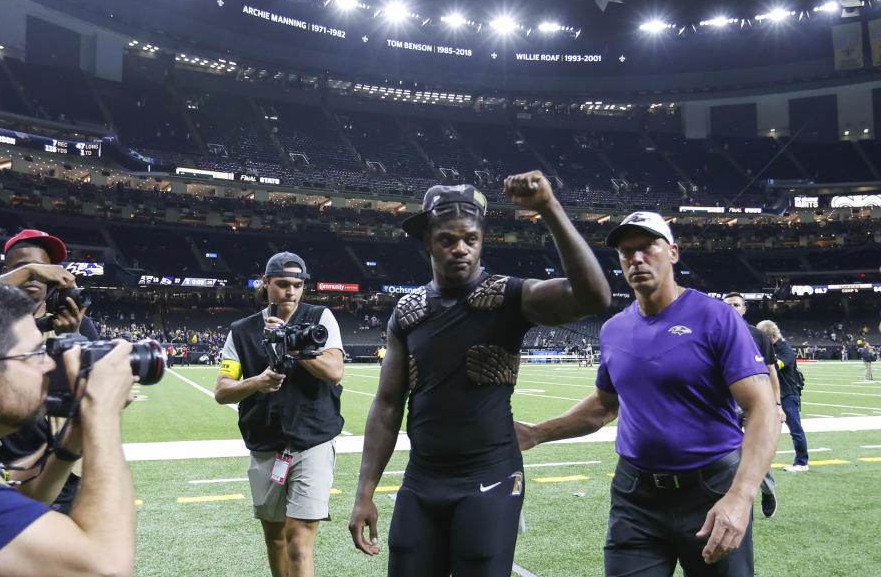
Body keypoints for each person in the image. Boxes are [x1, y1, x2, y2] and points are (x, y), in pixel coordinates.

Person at [349, 173, 611, 576]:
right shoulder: (408, 311)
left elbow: (594, 296)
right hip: (423, 477)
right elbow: (387, 406)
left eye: (471, 239)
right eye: (448, 239)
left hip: (490, 474)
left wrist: (549, 208)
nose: (461, 249)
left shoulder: (509, 297)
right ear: (427, 241)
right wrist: (364, 492)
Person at [515, 211, 779, 576]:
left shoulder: (717, 317)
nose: (636, 259)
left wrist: (741, 495)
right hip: (635, 495)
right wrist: (536, 433)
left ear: (672, 252)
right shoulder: (614, 329)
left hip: (711, 489)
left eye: (647, 247)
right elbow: (604, 407)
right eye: (626, 252)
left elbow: (761, 408)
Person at [0, 279, 137, 577]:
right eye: (35, 354)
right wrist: (102, 411)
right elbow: (104, 568)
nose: (49, 365)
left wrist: (73, 434)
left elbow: (17, 495)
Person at [214, 252, 345, 577]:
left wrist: (292, 343)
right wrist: (257, 382)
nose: (291, 292)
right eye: (283, 284)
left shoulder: (320, 317)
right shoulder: (242, 330)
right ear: (266, 283)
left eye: (297, 285)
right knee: (275, 540)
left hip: (312, 441)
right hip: (265, 445)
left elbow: (334, 371)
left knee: (298, 543)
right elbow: (222, 391)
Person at [0, 229, 99, 513]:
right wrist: (28, 272)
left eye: (43, 270)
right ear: (7, 272)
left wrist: (70, 342)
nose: (34, 278)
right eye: (23, 269)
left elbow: (92, 395)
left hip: (61, 469)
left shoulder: (79, 325)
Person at [721, 292, 783, 518]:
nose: (732, 308)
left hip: (757, 401)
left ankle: (767, 491)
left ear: (744, 309)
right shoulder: (714, 333)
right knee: (723, 452)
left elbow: (771, 371)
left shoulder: (758, 335)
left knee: (756, 450)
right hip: (726, 402)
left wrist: (777, 403)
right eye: (727, 305)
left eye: (736, 305)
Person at [757, 320, 809, 472]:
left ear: (770, 335)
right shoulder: (767, 348)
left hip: (787, 394)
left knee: (795, 429)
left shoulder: (785, 349)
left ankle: (801, 462)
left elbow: (775, 367)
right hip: (771, 395)